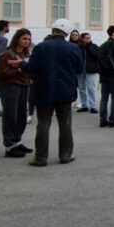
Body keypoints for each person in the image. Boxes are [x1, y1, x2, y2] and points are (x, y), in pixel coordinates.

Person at [22, 20, 83, 166]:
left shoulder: (41, 47)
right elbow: (79, 69)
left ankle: (41, 157)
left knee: (43, 123)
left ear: (53, 30)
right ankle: (65, 155)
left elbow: (31, 67)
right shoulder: (73, 48)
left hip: (44, 89)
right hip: (66, 90)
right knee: (65, 123)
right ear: (67, 33)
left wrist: (21, 64)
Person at [0, 29, 34, 158]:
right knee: (10, 116)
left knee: (21, 115)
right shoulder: (8, 54)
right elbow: (1, 73)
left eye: (28, 39)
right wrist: (18, 69)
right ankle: (9, 144)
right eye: (24, 38)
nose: (26, 41)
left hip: (24, 85)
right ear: (17, 38)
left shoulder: (25, 54)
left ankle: (17, 141)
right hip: (11, 87)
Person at [78, 32, 100, 112]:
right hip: (80, 69)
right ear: (82, 39)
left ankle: (92, 106)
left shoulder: (93, 46)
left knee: (91, 88)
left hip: (90, 69)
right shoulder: (78, 47)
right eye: (86, 38)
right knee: (81, 88)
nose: (88, 39)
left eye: (89, 38)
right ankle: (84, 105)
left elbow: (97, 55)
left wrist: (89, 47)